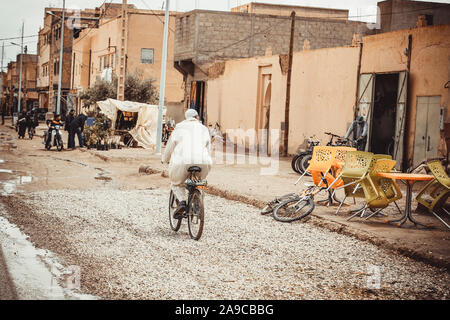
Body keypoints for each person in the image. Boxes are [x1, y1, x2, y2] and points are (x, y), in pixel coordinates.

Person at [162, 109, 212, 219]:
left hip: (183, 161)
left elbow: (170, 146)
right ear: (197, 117)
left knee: (176, 183)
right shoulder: (204, 129)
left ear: (186, 118)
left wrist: (165, 159)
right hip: (204, 162)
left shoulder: (179, 127)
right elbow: (208, 148)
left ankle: (182, 203)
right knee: (199, 181)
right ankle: (198, 199)